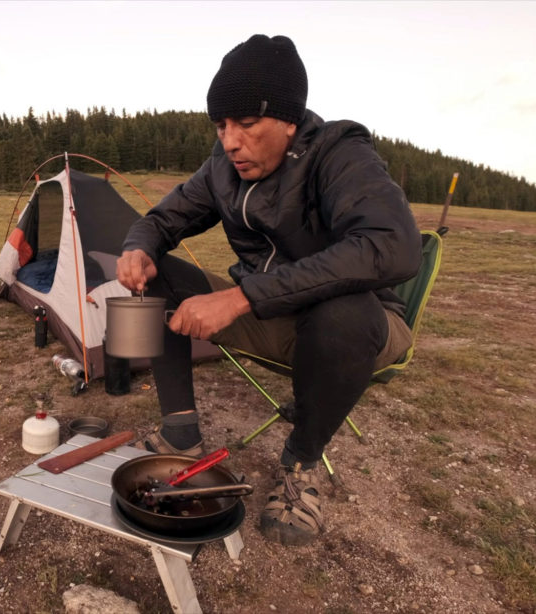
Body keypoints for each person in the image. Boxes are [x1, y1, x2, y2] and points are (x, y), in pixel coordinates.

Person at [115, 34, 421, 546]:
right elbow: (163, 218)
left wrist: (239, 298)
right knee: (160, 274)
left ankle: (301, 468)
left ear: (289, 120)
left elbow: (393, 247)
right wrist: (138, 247)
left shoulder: (340, 153)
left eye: (247, 124)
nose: (231, 140)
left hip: (363, 323)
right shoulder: (222, 168)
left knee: (341, 312)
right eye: (221, 125)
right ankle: (181, 433)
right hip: (274, 314)